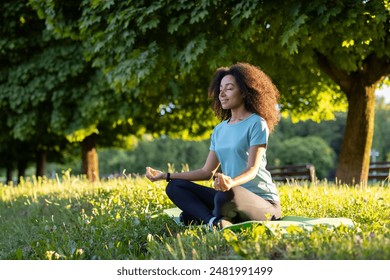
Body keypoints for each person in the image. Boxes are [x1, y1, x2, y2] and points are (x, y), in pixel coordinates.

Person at [146, 62, 281, 229]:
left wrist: (231, 182)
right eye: (221, 89)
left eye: (229, 88)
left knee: (222, 197)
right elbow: (206, 172)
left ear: (245, 92)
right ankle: (214, 222)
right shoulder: (219, 130)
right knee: (175, 187)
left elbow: (252, 169)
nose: (222, 94)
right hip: (229, 194)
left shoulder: (256, 123)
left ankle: (203, 215)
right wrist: (166, 176)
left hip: (262, 202)